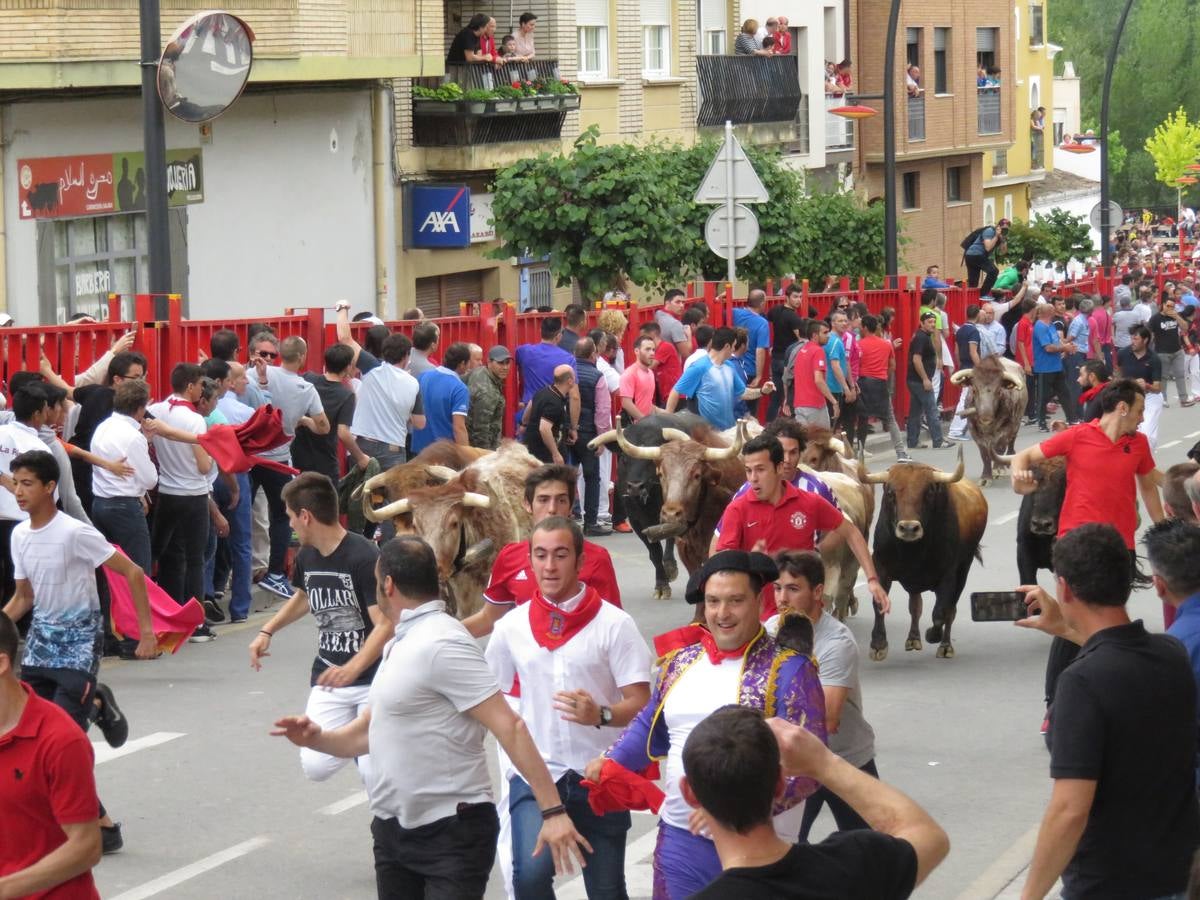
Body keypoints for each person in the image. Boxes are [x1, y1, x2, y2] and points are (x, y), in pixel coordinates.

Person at [271, 535, 589, 899]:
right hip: (393, 834)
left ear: (387, 585)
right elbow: (367, 734)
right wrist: (317, 738)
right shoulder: (398, 643)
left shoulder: (443, 642)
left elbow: (509, 725)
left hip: (450, 836)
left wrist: (552, 811)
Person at [587, 550, 827, 899]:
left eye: (735, 601)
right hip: (680, 837)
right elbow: (650, 721)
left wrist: (731, 811)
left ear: (759, 602)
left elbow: (812, 765)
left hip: (758, 847)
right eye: (713, 601)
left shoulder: (791, 670)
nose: (722, 613)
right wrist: (612, 760)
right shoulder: (680, 662)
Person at [1015, 523, 1199, 900]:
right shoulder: (1170, 654)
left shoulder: (1081, 683)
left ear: (1063, 587)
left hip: (1110, 883)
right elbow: (1121, 656)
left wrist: (1030, 895)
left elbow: (1069, 809)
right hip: (1174, 872)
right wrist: (1065, 628)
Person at [485, 516, 651, 899]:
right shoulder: (511, 627)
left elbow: (641, 702)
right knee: (528, 878)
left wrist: (602, 715)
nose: (549, 566)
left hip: (599, 774)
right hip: (536, 774)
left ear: (580, 562)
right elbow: (494, 697)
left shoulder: (614, 624)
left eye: (560, 555)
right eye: (540, 556)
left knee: (607, 891)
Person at [2, 449, 157, 856]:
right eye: (15, 482)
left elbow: (132, 572)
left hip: (79, 644)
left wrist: (144, 632)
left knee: (63, 739)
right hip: (39, 646)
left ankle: (100, 824)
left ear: (50, 487)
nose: (18, 491)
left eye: (27, 483)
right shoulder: (20, 535)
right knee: (29, 737)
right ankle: (99, 704)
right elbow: (23, 597)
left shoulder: (74, 532)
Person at [1010, 379, 1164, 732]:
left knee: (1110, 624)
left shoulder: (1137, 444)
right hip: (1076, 545)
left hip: (1119, 547)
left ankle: (1107, 697)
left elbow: (1151, 485)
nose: (1143, 418)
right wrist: (1020, 479)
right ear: (1122, 408)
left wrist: (1165, 532)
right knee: (1071, 624)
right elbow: (1026, 456)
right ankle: (1054, 705)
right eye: (1140, 410)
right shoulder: (1078, 437)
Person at [682, 707, 949, 899]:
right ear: (780, 784)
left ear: (690, 794)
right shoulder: (856, 865)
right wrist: (823, 763)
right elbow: (928, 836)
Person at [249, 472, 387, 785]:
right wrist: (266, 631)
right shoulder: (307, 555)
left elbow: (385, 625)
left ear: (306, 516)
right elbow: (304, 596)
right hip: (328, 675)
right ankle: (364, 744)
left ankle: (374, 748)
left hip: (372, 678)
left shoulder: (365, 556)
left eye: (290, 517)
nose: (290, 524)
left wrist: (353, 668)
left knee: (373, 771)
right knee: (316, 766)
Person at [765, 551, 879, 841]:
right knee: (784, 846)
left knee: (868, 853)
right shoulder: (769, 631)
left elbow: (826, 719)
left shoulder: (836, 643)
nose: (781, 599)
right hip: (794, 760)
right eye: (777, 588)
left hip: (844, 759)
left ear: (817, 591)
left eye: (792, 589)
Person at [714, 434, 890, 618]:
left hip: (804, 616)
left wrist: (872, 580)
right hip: (758, 619)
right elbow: (723, 563)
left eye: (760, 470)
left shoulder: (810, 502)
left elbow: (851, 532)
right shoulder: (737, 508)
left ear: (779, 468)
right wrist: (750, 562)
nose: (753, 478)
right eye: (748, 471)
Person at [0, 610, 105, 898]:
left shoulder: (60, 740)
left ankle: (95, 704)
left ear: (1, 663)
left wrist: (5, 888)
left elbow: (86, 846)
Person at [464, 463, 622, 640]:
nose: (552, 508)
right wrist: (440, 634)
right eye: (543, 500)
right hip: (526, 665)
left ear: (571, 507)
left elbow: (613, 626)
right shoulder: (509, 556)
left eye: (561, 500)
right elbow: (489, 618)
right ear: (527, 504)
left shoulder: (597, 558)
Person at [251, 337, 330, 600]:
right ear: (302, 357)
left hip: (249, 455)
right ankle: (275, 573)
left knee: (241, 516)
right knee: (281, 516)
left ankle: (229, 577)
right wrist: (303, 420)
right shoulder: (305, 388)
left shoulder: (258, 373)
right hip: (279, 458)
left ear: (279, 355)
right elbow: (323, 427)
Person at [146, 363, 217, 640]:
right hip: (193, 495)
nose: (202, 390)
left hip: (167, 491)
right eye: (200, 384)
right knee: (195, 560)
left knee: (169, 557)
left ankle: (170, 615)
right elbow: (202, 466)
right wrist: (212, 457)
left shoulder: (159, 410)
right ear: (190, 386)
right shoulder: (195, 420)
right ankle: (197, 623)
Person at [90, 379, 158, 577]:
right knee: (138, 570)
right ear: (139, 409)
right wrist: (148, 443)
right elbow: (150, 480)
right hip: (124, 507)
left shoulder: (102, 427)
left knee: (109, 573)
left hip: (100, 502)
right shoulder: (132, 436)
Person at [665, 327, 773, 430]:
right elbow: (676, 391)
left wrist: (762, 391)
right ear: (727, 346)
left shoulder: (730, 367)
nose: (734, 350)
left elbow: (742, 393)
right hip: (707, 435)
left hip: (728, 431)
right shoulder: (700, 367)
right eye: (734, 346)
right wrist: (667, 421)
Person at [351, 333, 425, 475]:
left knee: (357, 492)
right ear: (405, 356)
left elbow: (345, 338)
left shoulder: (372, 368)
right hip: (393, 450)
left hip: (364, 444)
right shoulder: (413, 383)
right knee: (392, 495)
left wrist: (342, 309)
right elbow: (420, 423)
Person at [856, 315, 909, 459]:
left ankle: (860, 452)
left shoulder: (858, 344)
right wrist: (883, 374)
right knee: (890, 419)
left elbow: (855, 365)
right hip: (880, 382)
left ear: (865, 328)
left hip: (863, 382)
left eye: (861, 326)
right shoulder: (887, 344)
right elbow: (892, 366)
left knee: (863, 419)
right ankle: (901, 452)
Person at [411, 342, 471, 453]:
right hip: (443, 455)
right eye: (469, 363)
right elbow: (459, 428)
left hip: (418, 450)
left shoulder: (423, 377)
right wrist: (466, 457)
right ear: (462, 364)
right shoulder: (460, 389)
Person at [1116, 325, 1164, 448]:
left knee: (1146, 433)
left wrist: (1146, 385)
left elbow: (1157, 388)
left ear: (1145, 340)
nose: (1132, 342)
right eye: (1131, 338)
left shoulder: (1154, 359)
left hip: (1150, 398)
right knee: (1127, 432)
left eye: (1136, 339)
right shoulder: (1122, 354)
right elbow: (1118, 374)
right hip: (1129, 397)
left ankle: (1148, 460)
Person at [784, 320, 838, 428]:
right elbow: (818, 380)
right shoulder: (818, 351)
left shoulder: (802, 350)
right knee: (821, 441)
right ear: (814, 335)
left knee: (806, 442)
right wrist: (834, 402)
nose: (828, 336)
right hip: (815, 405)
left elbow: (788, 376)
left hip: (799, 405)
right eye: (825, 332)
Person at [1032, 302, 1076, 431]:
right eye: (1053, 310)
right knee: (1043, 396)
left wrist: (1067, 346)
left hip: (1056, 365)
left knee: (1065, 392)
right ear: (1048, 313)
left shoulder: (1050, 325)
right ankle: (1041, 422)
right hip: (1044, 367)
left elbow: (1057, 341)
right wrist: (1064, 348)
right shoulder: (1040, 326)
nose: (1056, 311)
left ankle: (1071, 418)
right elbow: (1048, 348)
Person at [907, 312, 946, 448]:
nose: (933, 324)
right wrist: (925, 379)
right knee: (932, 409)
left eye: (934, 322)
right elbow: (916, 360)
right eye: (929, 322)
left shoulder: (924, 336)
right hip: (919, 381)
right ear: (922, 323)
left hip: (915, 379)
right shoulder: (921, 337)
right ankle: (938, 440)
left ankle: (912, 441)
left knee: (915, 412)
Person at [767, 283, 804, 419]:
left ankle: (769, 426)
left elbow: (767, 318)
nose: (799, 300)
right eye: (795, 297)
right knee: (790, 399)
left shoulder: (775, 310)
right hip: (787, 362)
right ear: (787, 297)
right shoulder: (794, 318)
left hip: (775, 359)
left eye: (800, 297)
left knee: (775, 399)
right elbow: (802, 340)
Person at [524, 365, 575, 465]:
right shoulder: (555, 403)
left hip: (532, 449)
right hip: (545, 456)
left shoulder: (543, 391)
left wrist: (524, 423)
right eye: (574, 376)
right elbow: (544, 428)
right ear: (569, 381)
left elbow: (529, 407)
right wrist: (556, 454)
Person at [1150, 295, 1194, 406]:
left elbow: (1185, 328)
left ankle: (1183, 399)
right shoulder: (1155, 318)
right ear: (1162, 305)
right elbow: (1150, 335)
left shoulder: (1175, 315)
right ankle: (1163, 399)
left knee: (1180, 375)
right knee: (1163, 377)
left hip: (1177, 351)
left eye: (1173, 306)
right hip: (1162, 352)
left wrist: (1177, 317)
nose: (1170, 308)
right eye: (1168, 305)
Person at [467, 345, 512, 450]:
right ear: (489, 362)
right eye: (500, 363)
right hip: (479, 449)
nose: (505, 367)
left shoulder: (481, 371)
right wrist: (487, 456)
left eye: (507, 363)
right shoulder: (487, 392)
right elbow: (480, 431)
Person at [963, 218, 1009, 297]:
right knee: (994, 271)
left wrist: (1003, 240)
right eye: (1003, 229)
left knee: (973, 284)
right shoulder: (990, 231)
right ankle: (983, 295)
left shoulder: (1000, 237)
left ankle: (972, 301)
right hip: (975, 255)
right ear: (998, 227)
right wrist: (996, 236)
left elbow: (1003, 252)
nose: (1004, 231)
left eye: (1006, 230)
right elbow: (988, 247)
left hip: (973, 256)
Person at [619, 334, 658, 423]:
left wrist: (668, 414)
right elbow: (626, 403)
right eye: (647, 349)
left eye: (653, 350)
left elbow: (647, 403)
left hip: (647, 427)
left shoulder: (651, 373)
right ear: (637, 351)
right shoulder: (630, 373)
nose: (652, 353)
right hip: (634, 428)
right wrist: (645, 421)